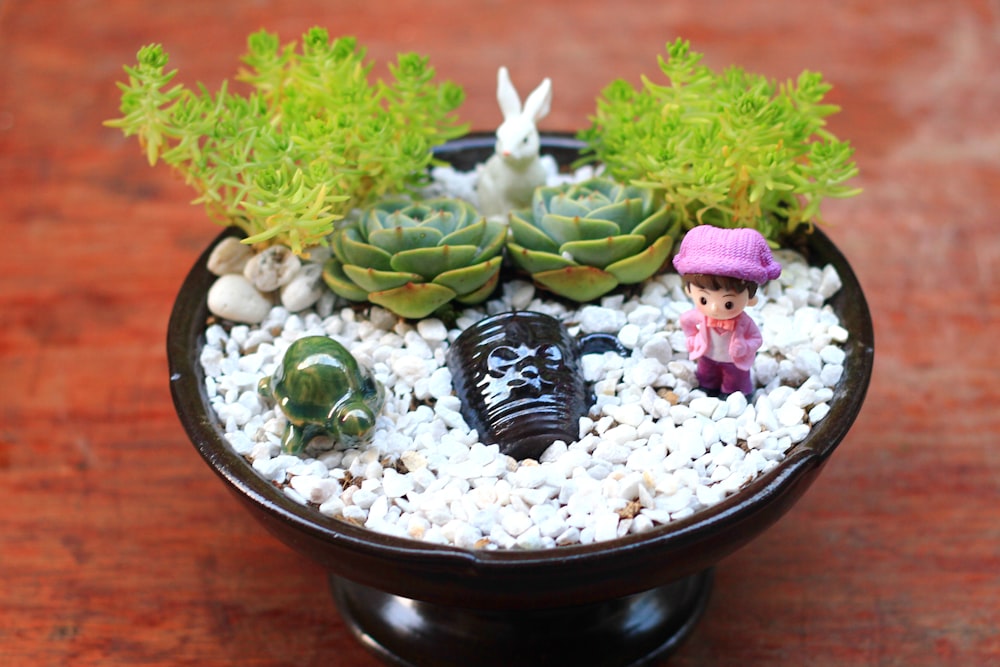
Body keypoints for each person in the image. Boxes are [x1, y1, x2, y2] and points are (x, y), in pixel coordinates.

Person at [672, 226, 782, 397]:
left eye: (728, 303)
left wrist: (744, 346)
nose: (714, 308)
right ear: (689, 291)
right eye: (704, 299)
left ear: (751, 299)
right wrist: (692, 338)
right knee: (706, 376)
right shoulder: (699, 315)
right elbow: (686, 321)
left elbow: (756, 339)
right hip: (707, 356)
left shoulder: (743, 322)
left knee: (735, 383)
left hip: (733, 361)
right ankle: (707, 388)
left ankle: (734, 395)